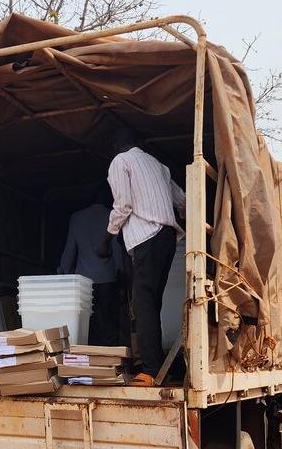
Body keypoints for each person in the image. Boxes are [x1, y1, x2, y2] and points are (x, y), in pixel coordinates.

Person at [99, 127, 186, 386]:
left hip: (147, 236)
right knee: (152, 303)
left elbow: (123, 205)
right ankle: (157, 368)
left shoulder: (121, 161)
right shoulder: (159, 166)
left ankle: (149, 371)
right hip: (167, 237)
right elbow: (181, 200)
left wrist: (106, 239)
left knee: (142, 304)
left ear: (119, 143)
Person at [58, 185, 125, 346]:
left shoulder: (77, 217)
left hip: (83, 282)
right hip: (108, 278)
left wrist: (63, 274)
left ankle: (87, 358)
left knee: (86, 325)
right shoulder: (111, 216)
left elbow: (70, 251)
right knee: (109, 324)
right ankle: (108, 361)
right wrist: (121, 273)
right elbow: (116, 249)